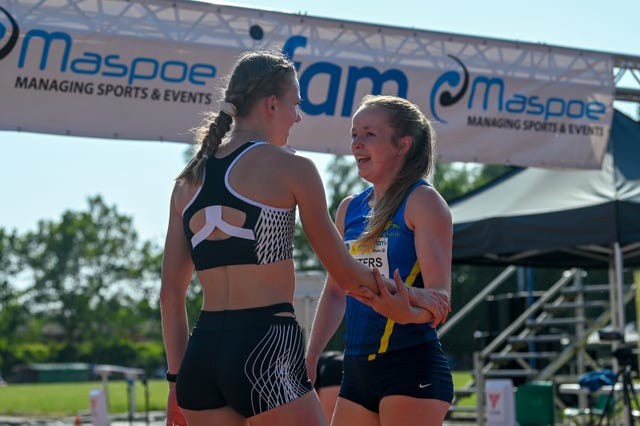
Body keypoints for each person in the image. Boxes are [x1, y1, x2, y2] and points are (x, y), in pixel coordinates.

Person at [159, 51, 449, 426]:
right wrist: (416, 297)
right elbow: (344, 276)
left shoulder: (187, 180)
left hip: (200, 357)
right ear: (272, 104)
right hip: (265, 348)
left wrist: (176, 383)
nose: (298, 116)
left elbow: (170, 296)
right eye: (295, 105)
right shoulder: (293, 168)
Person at [306, 94, 454, 426]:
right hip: (356, 370)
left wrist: (406, 312)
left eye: (369, 134)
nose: (357, 144)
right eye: (354, 135)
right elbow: (335, 291)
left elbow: (440, 300)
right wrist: (312, 355)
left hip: (411, 366)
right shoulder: (349, 208)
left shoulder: (423, 200)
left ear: (402, 145)